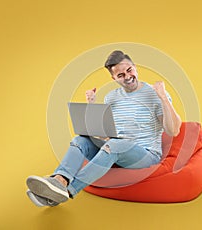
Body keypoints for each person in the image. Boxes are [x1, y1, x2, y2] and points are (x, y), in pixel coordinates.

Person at [26, 50, 182, 207]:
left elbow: (173, 130)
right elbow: (105, 134)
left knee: (115, 145)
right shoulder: (111, 97)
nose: (127, 77)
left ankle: (68, 190)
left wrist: (162, 97)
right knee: (80, 140)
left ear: (135, 67)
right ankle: (59, 181)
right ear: (113, 78)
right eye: (120, 75)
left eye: (129, 70)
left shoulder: (155, 94)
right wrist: (91, 105)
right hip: (115, 149)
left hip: (146, 155)